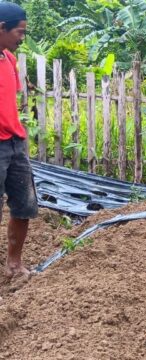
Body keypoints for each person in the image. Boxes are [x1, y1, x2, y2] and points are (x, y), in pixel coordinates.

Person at [0, 3, 36, 277]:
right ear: (1, 28)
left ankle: (14, 265)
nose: (21, 38)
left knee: (23, 206)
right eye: (19, 32)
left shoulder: (9, 60)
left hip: (15, 142)